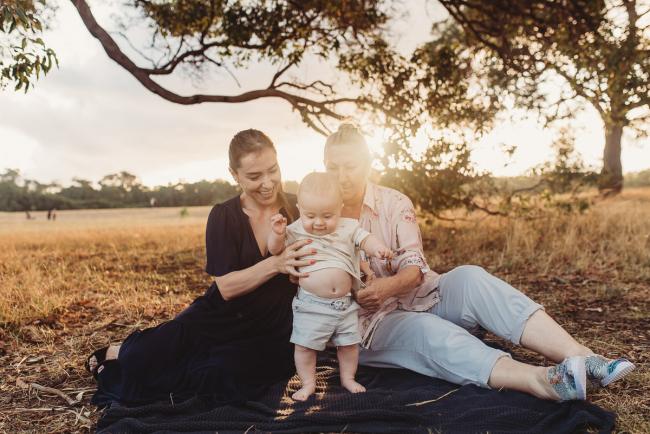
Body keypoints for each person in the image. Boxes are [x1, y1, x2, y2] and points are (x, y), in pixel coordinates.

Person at [322, 123, 635, 402]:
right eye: (332, 167)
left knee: (470, 277)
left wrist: (389, 286)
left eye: (349, 166)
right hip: (369, 326)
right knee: (426, 330)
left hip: (419, 295)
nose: (341, 176)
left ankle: (585, 358)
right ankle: (542, 381)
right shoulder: (316, 217)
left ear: (367, 163)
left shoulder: (393, 201)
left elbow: (414, 266)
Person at [86, 129, 316, 405]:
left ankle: (134, 371)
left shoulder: (300, 207)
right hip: (218, 317)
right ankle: (120, 351)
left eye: (273, 170)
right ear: (235, 175)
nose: (267, 183)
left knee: (215, 378)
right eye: (254, 177)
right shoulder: (223, 216)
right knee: (144, 355)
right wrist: (277, 263)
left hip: (274, 329)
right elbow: (228, 288)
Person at [268, 172, 393, 401]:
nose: (318, 222)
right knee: (305, 346)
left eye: (327, 215)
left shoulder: (348, 227)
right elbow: (275, 250)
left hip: (345, 305)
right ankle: (307, 383)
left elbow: (365, 240)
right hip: (311, 305)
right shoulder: (296, 230)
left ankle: (348, 378)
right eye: (310, 215)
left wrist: (378, 249)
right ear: (299, 208)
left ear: (340, 209)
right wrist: (276, 234)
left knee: (349, 345)